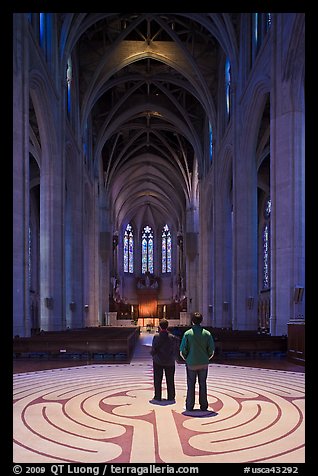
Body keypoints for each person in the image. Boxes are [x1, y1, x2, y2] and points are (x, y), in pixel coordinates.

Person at [179, 311, 215, 411]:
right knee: (203, 384)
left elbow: (182, 350)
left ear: (192, 321)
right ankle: (204, 406)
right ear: (201, 321)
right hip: (203, 363)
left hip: (191, 363)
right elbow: (211, 351)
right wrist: (206, 358)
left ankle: (189, 406)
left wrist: (188, 358)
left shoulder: (188, 333)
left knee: (191, 385)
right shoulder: (207, 334)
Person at [150, 318, 179, 402]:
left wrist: (153, 355)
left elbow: (153, 348)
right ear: (167, 326)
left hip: (158, 361)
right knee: (170, 379)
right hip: (170, 361)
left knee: (158, 379)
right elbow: (175, 348)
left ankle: (157, 396)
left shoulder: (156, 337)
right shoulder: (172, 337)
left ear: (159, 326)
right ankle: (171, 396)